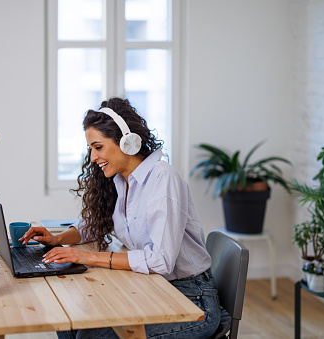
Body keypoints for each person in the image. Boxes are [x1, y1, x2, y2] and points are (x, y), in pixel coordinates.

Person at [21, 97, 223, 339]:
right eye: (91, 150)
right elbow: (94, 225)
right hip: (154, 287)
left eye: (98, 147)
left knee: (89, 336)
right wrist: (58, 239)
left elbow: (161, 261)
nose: (93, 158)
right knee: (70, 320)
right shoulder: (120, 181)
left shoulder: (163, 179)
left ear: (127, 142)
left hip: (191, 300)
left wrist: (86, 257)